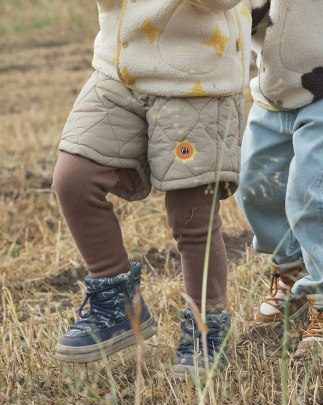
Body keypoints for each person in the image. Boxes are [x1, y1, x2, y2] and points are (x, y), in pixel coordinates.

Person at [52, 0, 255, 377]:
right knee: (74, 178)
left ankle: (206, 327)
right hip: (119, 71)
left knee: (191, 213)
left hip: (197, 79)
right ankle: (117, 302)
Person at [236, 0, 323, 358]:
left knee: (310, 195)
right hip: (272, 91)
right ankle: (290, 266)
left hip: (320, 90)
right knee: (254, 186)